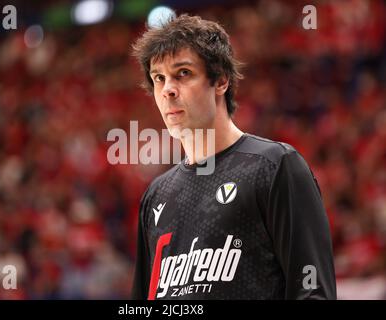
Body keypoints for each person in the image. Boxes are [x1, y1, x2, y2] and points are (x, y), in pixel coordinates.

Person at [130, 14, 336, 300]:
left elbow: (312, 293)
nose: (168, 90)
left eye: (183, 73)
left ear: (221, 81)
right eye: (159, 79)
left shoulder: (274, 167)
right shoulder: (156, 195)